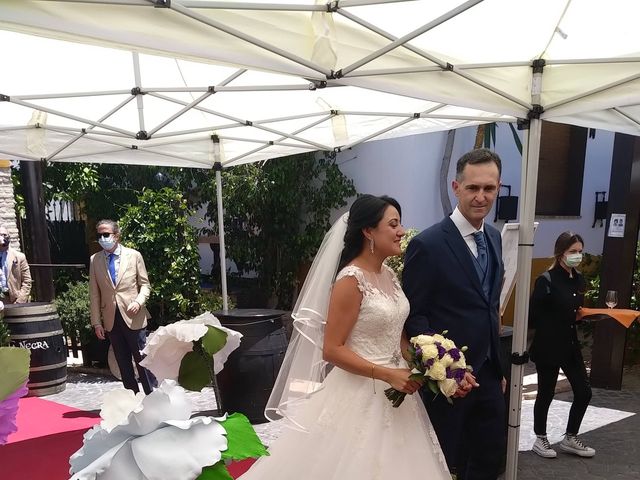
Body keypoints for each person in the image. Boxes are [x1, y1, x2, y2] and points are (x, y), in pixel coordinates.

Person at [240, 195, 450, 479]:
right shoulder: (351, 280)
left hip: (399, 390)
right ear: (368, 232)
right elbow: (332, 349)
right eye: (393, 224)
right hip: (360, 391)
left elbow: (397, 336)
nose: (402, 231)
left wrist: (434, 364)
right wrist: (386, 374)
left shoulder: (389, 275)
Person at [403, 148, 506, 480]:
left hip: (490, 374)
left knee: (490, 460)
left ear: (498, 188)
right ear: (455, 187)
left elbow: (488, 304)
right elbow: (415, 317)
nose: (481, 196)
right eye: (473, 188)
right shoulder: (429, 244)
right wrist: (446, 372)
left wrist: (498, 365)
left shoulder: (494, 237)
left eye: (488, 189)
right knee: (445, 461)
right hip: (449, 381)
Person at [528, 231, 595, 459]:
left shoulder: (578, 279)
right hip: (548, 344)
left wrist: (583, 315)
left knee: (584, 392)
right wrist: (562, 314)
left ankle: (570, 437)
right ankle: (540, 438)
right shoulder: (546, 280)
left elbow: (576, 310)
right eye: (572, 252)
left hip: (570, 344)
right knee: (546, 392)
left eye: (579, 252)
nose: (577, 256)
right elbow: (533, 317)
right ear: (560, 253)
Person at [89, 219, 154, 395]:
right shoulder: (95, 260)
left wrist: (139, 301)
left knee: (142, 360)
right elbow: (94, 294)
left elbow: (145, 285)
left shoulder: (134, 255)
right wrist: (96, 322)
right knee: (123, 363)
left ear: (116, 235)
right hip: (111, 318)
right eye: (99, 235)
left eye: (106, 234)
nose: (102, 238)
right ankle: (131, 399)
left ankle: (153, 398)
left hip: (133, 315)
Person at [0, 224, 32, 304]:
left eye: (4, 235)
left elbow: (27, 281)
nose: (2, 237)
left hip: (14, 300)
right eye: (0, 235)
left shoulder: (19, 257)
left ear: (9, 237)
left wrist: (20, 300)